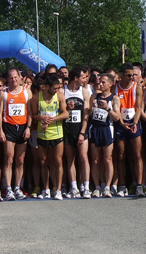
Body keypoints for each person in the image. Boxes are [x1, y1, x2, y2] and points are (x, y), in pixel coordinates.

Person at [31, 74, 68, 200]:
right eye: (55, 88)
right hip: (42, 133)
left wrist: (53, 119)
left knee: (57, 161)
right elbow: (34, 116)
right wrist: (42, 118)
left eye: (58, 88)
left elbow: (65, 113)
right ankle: (45, 189)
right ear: (47, 87)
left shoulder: (60, 96)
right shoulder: (36, 98)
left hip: (57, 132)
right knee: (43, 161)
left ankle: (57, 189)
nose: (56, 90)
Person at [0, 68, 32, 200]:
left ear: (20, 77)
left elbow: (30, 112)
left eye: (15, 77)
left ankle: (17, 187)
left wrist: (28, 128)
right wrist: (0, 130)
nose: (13, 80)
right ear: (8, 79)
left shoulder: (26, 92)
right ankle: (8, 188)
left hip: (22, 127)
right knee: (9, 159)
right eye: (11, 78)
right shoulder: (3, 93)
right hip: (8, 127)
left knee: (20, 160)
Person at [113, 63, 145, 197]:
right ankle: (122, 185)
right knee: (121, 155)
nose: (132, 77)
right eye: (128, 75)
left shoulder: (136, 87)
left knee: (137, 154)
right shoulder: (115, 88)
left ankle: (139, 185)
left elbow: (138, 107)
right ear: (121, 75)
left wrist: (135, 122)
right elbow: (115, 107)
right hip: (120, 123)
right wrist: (121, 122)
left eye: (133, 75)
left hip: (133, 122)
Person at [89, 73, 121, 198]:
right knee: (96, 160)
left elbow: (117, 117)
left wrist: (108, 108)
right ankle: (97, 186)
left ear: (110, 84)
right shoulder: (94, 96)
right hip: (95, 128)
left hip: (107, 129)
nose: (100, 84)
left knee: (107, 159)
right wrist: (93, 106)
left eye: (103, 82)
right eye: (99, 82)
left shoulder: (114, 98)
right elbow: (89, 113)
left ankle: (107, 186)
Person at [63, 66, 91, 198]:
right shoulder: (63, 92)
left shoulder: (84, 92)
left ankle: (86, 187)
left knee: (83, 157)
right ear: (75, 78)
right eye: (82, 77)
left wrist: (82, 132)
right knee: (70, 158)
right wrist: (66, 108)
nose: (84, 80)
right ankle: (73, 187)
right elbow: (60, 111)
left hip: (81, 129)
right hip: (67, 130)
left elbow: (86, 114)